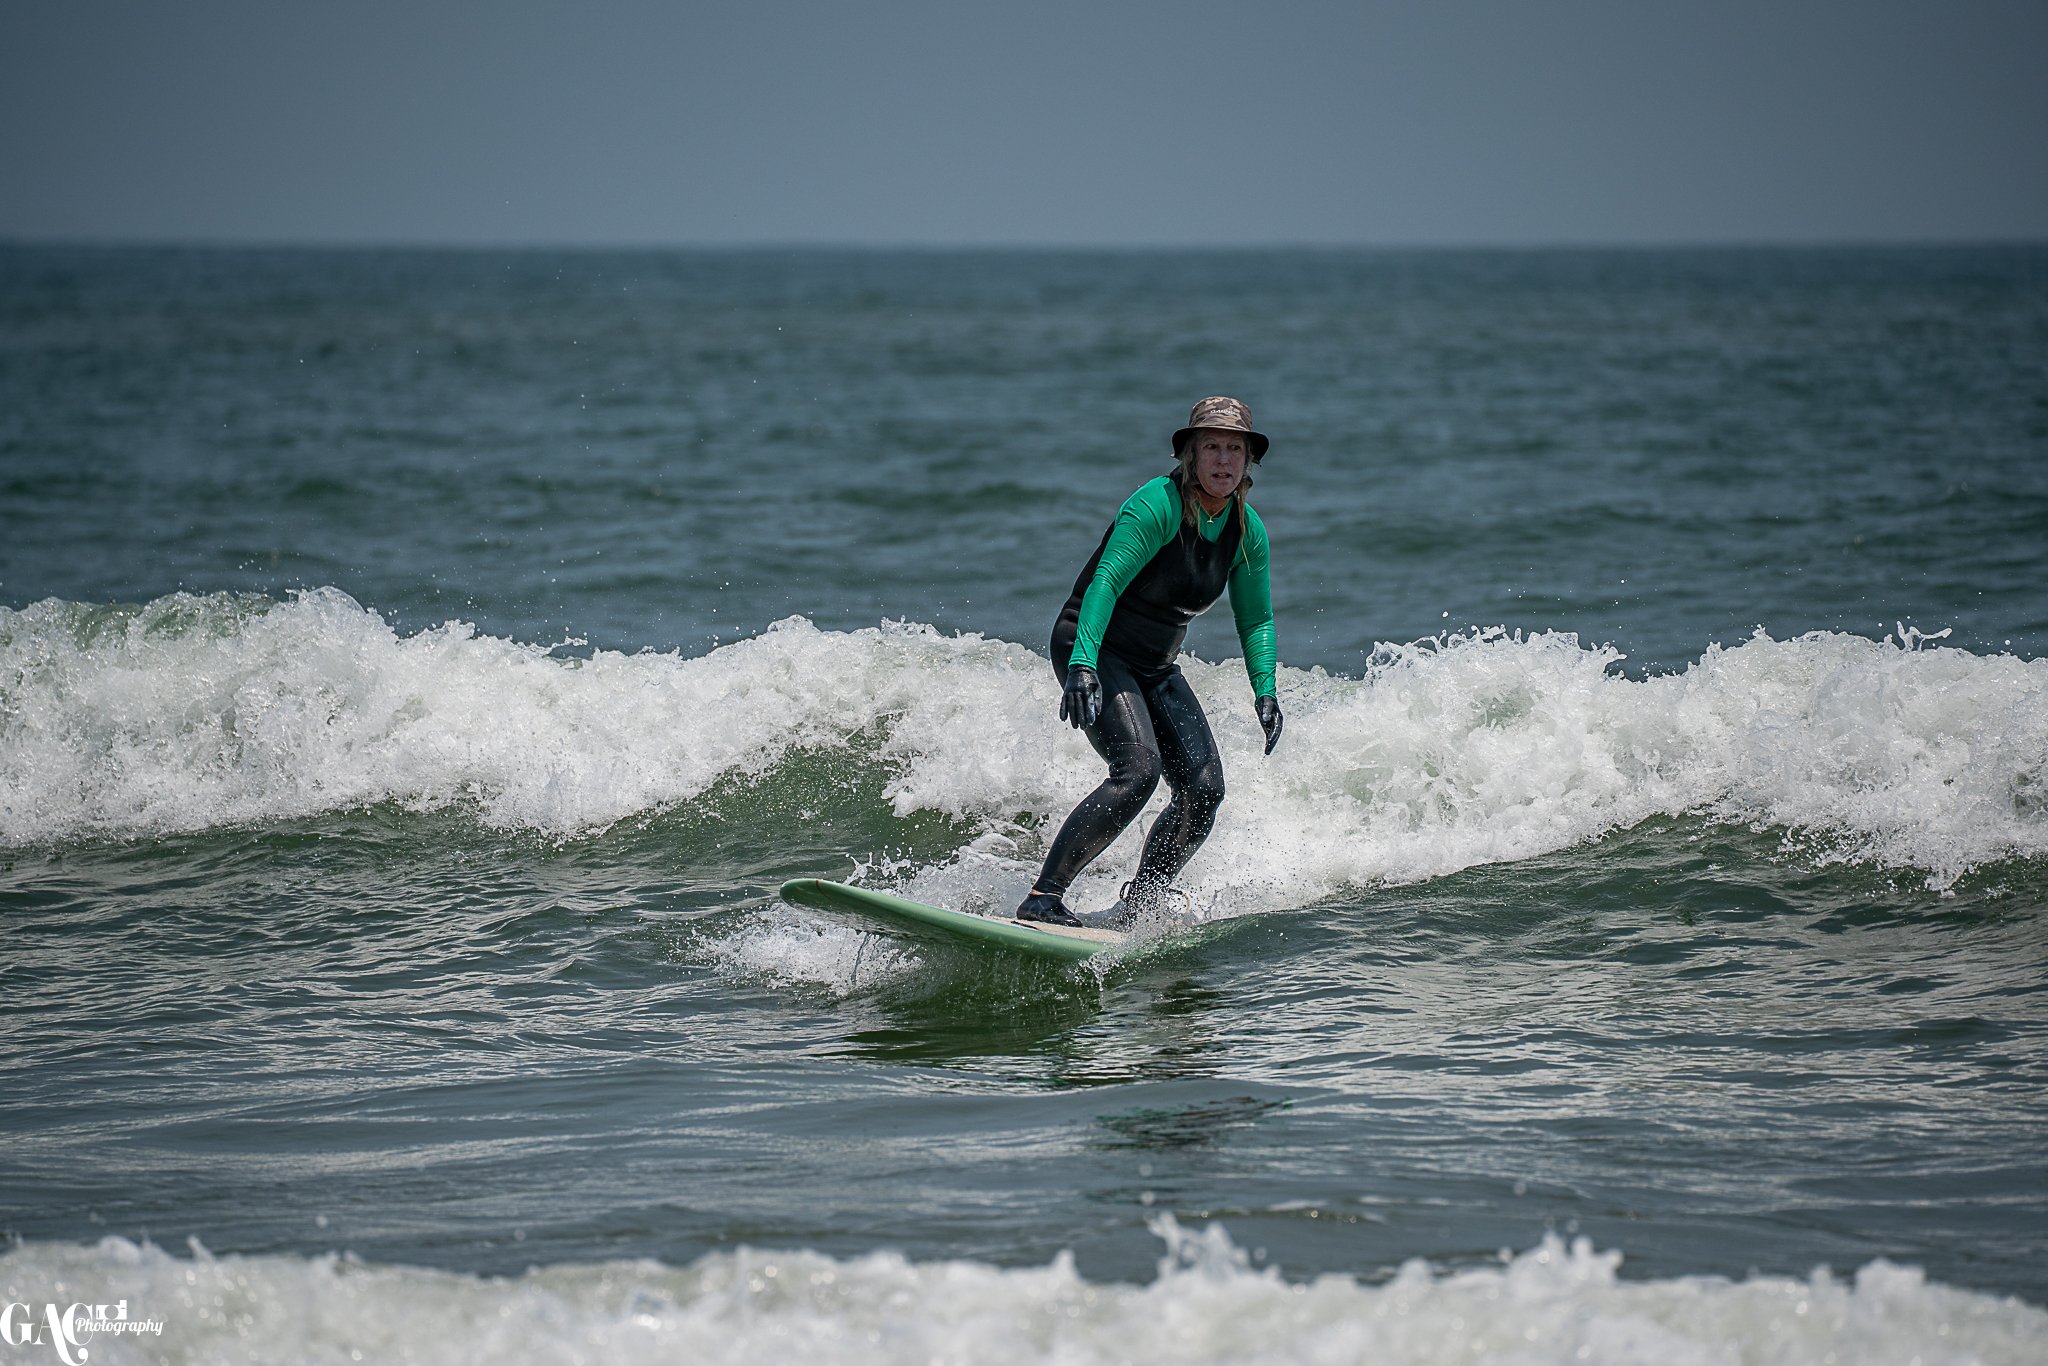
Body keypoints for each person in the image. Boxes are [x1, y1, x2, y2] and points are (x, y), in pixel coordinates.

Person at [1016, 397, 1282, 928]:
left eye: (1235, 449)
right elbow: (1105, 583)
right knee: (1139, 769)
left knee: (1205, 788)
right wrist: (1084, 664)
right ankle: (1043, 897)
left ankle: (1140, 902)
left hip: (1155, 664)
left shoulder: (1245, 531)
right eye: (1212, 447)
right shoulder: (1155, 505)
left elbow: (1256, 621)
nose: (1224, 460)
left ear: (1248, 460)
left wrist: (1266, 690)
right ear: (1190, 454)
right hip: (1093, 646)